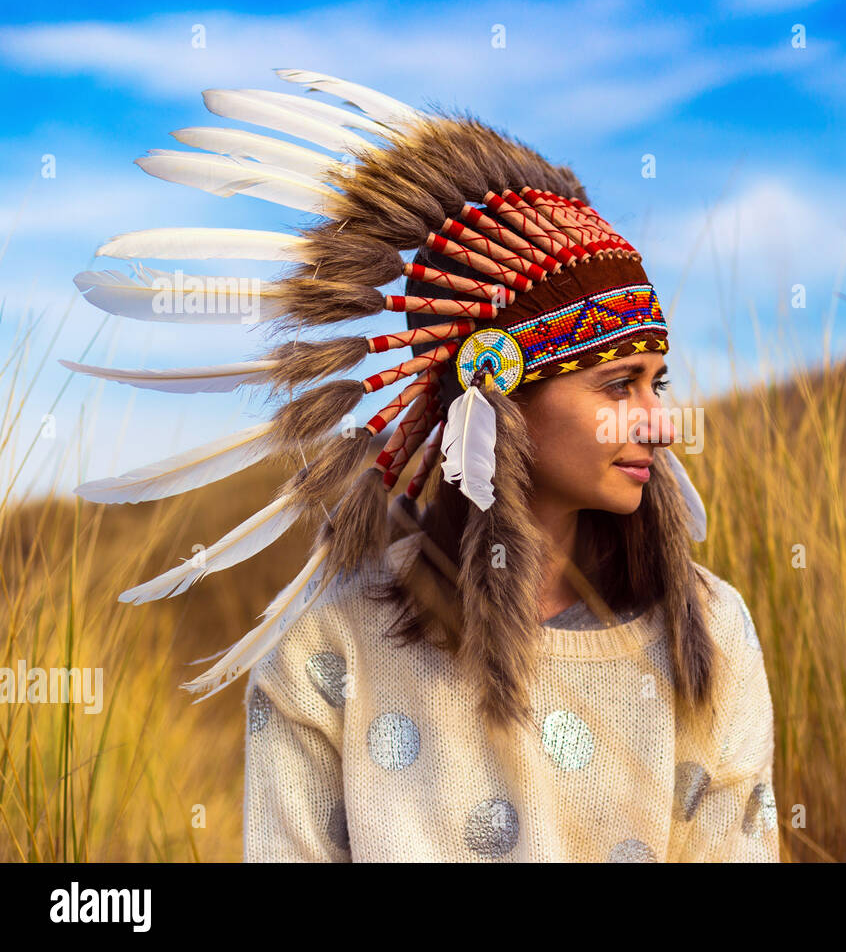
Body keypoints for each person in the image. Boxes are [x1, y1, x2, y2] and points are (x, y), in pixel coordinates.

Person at [67, 69, 779, 862]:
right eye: (619, 385)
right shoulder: (331, 646)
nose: (660, 421)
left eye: (659, 383)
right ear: (498, 395)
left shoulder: (709, 632)